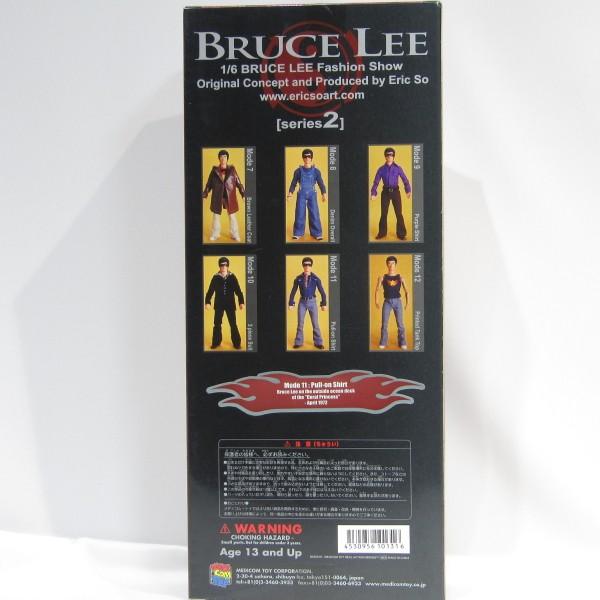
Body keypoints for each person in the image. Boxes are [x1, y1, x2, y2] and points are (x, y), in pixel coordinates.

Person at [203, 150, 245, 241]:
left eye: (225, 157)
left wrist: (243, 194)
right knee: (216, 216)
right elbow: (209, 184)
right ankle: (215, 234)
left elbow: (238, 183)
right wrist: (204, 194)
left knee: (232, 216)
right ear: (219, 158)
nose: (223, 159)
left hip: (229, 196)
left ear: (227, 158)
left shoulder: (232, 170)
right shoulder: (214, 171)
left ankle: (234, 234)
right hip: (217, 196)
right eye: (221, 157)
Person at [370, 147, 412, 240]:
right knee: (383, 213)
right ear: (385, 156)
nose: (389, 157)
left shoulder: (398, 168)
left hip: (396, 192)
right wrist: (373, 193)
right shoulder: (381, 169)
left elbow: (405, 179)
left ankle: (401, 234)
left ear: (394, 156)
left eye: (391, 155)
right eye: (388, 155)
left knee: (399, 213)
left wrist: (408, 190)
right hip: (385, 192)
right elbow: (376, 182)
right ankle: (382, 233)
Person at [287, 148, 327, 240]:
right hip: (301, 194)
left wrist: (324, 193)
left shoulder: (316, 171)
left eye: (309, 156)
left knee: (314, 213)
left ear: (311, 157)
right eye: (305, 156)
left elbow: (321, 183)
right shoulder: (298, 171)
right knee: (299, 213)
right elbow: (293, 183)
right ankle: (298, 232)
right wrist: (290, 193)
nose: (307, 158)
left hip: (312, 194)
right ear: (303, 158)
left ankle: (317, 233)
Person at [205, 257, 244, 350]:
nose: (223, 267)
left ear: (228, 266)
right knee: (217, 323)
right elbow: (210, 291)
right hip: (219, 304)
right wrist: (207, 302)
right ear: (219, 266)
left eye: (225, 265)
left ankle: (237, 343)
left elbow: (238, 291)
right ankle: (216, 342)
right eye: (222, 265)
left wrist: (241, 302)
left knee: (233, 323)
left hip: (230, 304)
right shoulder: (215, 277)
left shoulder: (232, 277)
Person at [288, 257, 327, 349]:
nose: (307, 267)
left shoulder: (315, 279)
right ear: (302, 265)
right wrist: (291, 303)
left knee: (315, 323)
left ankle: (318, 342)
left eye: (309, 265)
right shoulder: (298, 279)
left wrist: (323, 303)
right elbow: (293, 291)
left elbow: (322, 292)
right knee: (300, 323)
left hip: (312, 302)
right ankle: (298, 342)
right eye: (305, 264)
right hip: (302, 302)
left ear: (311, 266)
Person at [374, 256, 408, 349]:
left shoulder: (400, 277)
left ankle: (402, 342)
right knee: (384, 323)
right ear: (387, 264)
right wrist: (376, 301)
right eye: (389, 263)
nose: (391, 265)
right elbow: (377, 290)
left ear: (395, 264)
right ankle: (383, 341)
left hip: (398, 301)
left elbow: (406, 291)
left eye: (393, 263)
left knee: (400, 323)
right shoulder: (382, 278)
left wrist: (407, 303)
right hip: (387, 302)